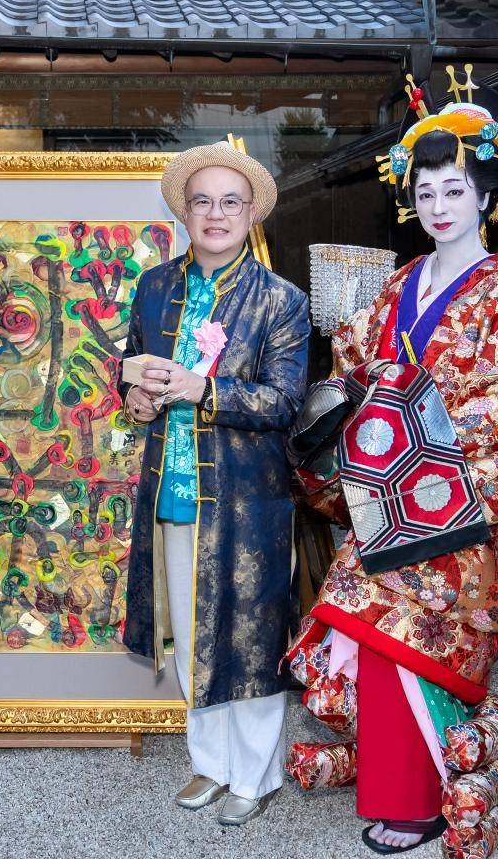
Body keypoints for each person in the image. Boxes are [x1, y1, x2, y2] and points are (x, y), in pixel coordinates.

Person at [288, 67, 498, 854]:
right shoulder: (399, 281)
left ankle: (418, 799)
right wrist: (347, 405)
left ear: (486, 195)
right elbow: (354, 363)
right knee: (374, 642)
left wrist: (409, 423)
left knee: (417, 642)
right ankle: (400, 780)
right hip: (385, 496)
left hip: (451, 497)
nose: (440, 206)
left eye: (455, 190)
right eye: (427, 191)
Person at [120, 141, 310, 826]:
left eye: (231, 202)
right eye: (202, 201)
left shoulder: (281, 300)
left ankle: (255, 776)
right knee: (190, 631)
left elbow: (284, 401)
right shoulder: (154, 287)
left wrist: (202, 389)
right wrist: (136, 398)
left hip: (248, 499)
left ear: (252, 212)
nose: (216, 214)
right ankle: (210, 762)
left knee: (251, 636)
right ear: (185, 212)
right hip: (171, 490)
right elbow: (129, 365)